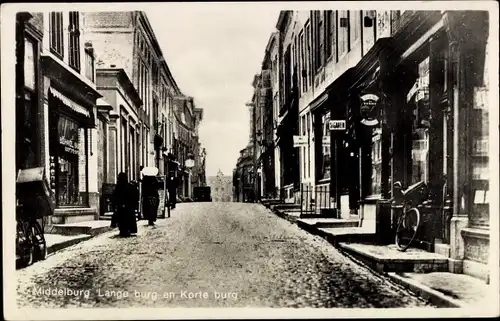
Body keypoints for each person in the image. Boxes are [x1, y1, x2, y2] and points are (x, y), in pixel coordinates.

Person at [111, 172, 138, 237]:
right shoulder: (129, 186)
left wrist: (115, 205)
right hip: (128, 207)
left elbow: (115, 196)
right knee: (128, 219)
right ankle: (127, 230)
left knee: (121, 220)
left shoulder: (118, 187)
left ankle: (123, 230)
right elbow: (134, 197)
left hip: (121, 207)